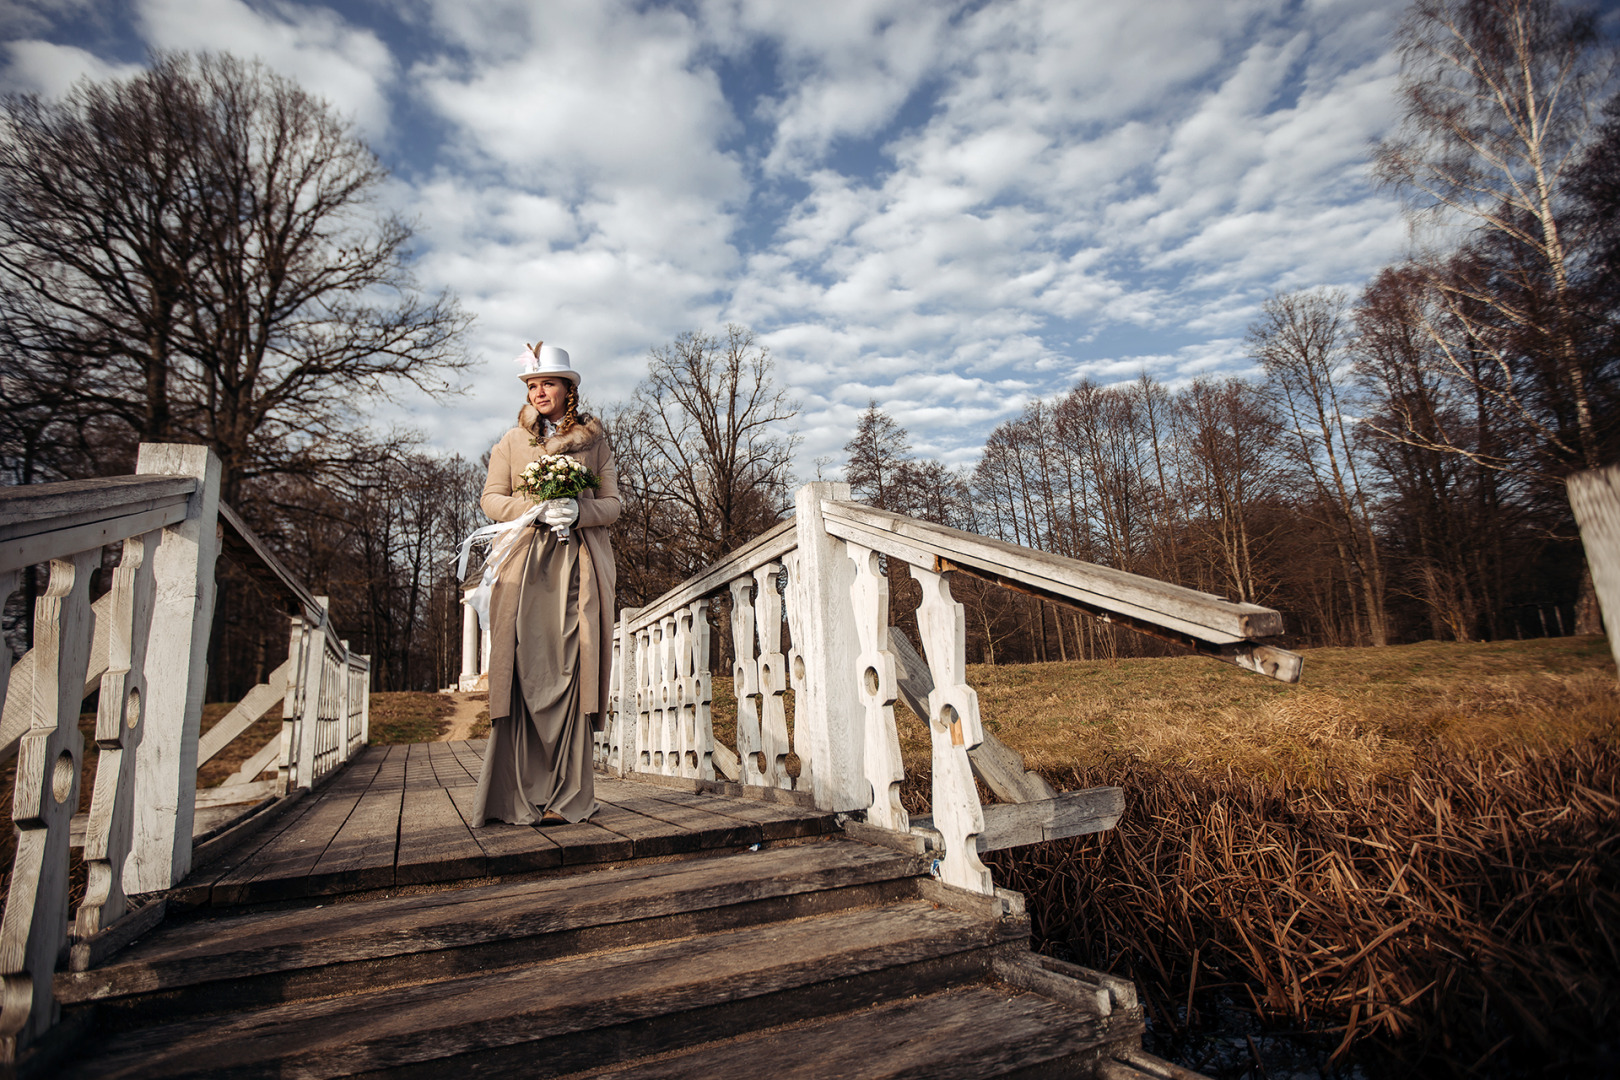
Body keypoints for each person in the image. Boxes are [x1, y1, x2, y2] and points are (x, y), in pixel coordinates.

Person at [473, 342, 619, 826]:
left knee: (575, 669)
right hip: (524, 566)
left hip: (578, 566)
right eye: (533, 385)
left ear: (568, 389)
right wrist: (531, 510)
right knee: (523, 671)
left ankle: (569, 796)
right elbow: (491, 498)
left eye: (548, 384)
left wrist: (579, 511)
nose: (539, 392)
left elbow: (615, 504)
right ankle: (517, 794)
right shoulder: (511, 443)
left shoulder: (596, 443)